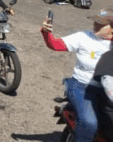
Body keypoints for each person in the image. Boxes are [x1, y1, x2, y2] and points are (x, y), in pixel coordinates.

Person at [42, 8, 113, 142]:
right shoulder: (83, 37)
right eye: (95, 22)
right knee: (89, 122)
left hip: (107, 91)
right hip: (81, 87)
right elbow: (55, 45)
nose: (95, 25)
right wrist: (46, 32)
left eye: (101, 24)